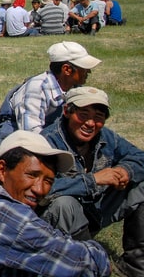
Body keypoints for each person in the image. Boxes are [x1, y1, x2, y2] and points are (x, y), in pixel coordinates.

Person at [0, 130, 110, 276]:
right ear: (2, 170)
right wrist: (95, 250)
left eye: (48, 181)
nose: (40, 189)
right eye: (32, 175)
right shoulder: (16, 222)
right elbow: (88, 264)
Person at [41, 87, 144, 276]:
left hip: (93, 211)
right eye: (83, 114)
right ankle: (85, 265)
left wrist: (125, 170)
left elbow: (139, 157)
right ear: (67, 111)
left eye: (98, 116)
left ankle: (135, 266)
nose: (90, 123)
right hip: (58, 223)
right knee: (64, 203)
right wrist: (94, 179)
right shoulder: (47, 142)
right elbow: (42, 189)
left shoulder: (106, 137)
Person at [0, 41, 101, 152]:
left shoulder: (74, 88)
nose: (88, 72)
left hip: (48, 137)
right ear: (67, 69)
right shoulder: (37, 89)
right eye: (84, 68)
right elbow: (30, 135)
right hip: (18, 139)